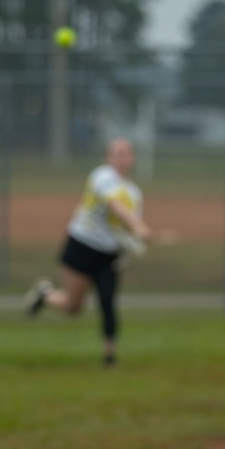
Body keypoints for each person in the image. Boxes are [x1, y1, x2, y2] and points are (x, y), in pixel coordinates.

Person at [24, 137, 152, 367]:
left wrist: (134, 243)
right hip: (82, 245)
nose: (121, 158)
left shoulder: (135, 194)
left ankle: (110, 356)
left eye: (126, 153)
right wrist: (138, 226)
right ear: (108, 158)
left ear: (132, 158)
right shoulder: (102, 177)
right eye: (116, 154)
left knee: (107, 300)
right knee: (74, 308)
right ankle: (44, 296)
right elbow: (116, 207)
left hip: (108, 254)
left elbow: (124, 230)